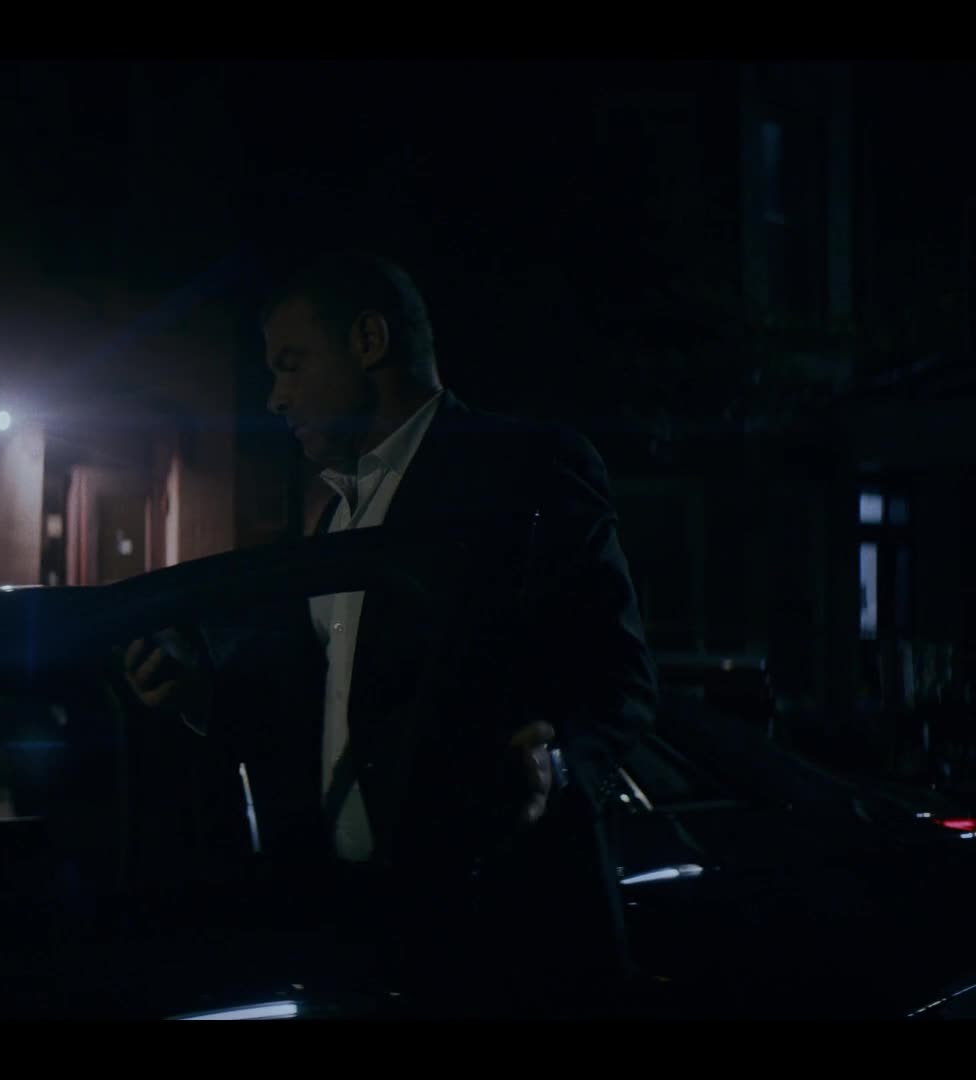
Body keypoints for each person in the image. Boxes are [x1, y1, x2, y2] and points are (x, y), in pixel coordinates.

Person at [122, 250, 658, 1011]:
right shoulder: (336, 516)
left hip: (506, 938)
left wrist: (560, 764)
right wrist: (197, 692)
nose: (274, 397)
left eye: (291, 364)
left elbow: (622, 680)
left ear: (369, 341)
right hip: (365, 934)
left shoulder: (526, 466)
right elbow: (327, 708)